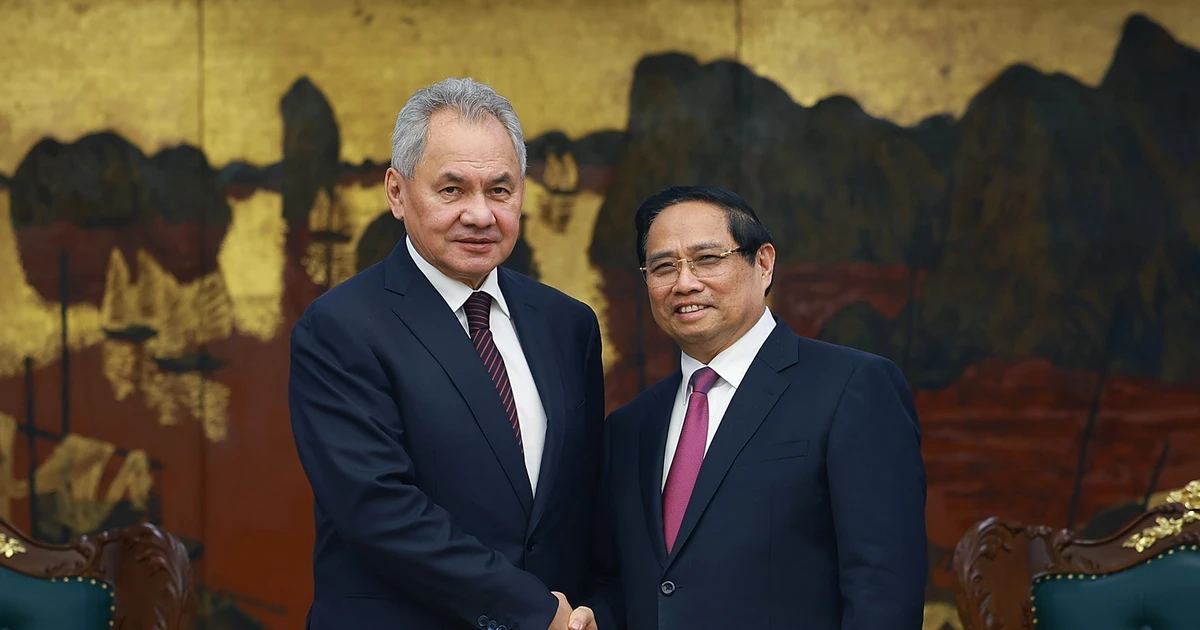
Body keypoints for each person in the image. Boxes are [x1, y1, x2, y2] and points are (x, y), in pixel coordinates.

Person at [288, 78, 607, 630]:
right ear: (396, 192)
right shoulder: (340, 328)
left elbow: (580, 503)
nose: (480, 215)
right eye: (452, 189)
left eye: (500, 191)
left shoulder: (567, 324)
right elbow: (380, 512)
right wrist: (533, 612)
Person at [588, 185, 928, 629]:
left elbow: (884, 591)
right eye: (663, 266)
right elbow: (627, 584)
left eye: (707, 259)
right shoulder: (631, 428)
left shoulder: (852, 388)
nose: (685, 282)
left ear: (763, 263)